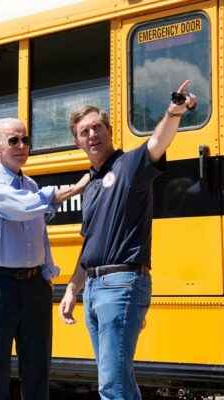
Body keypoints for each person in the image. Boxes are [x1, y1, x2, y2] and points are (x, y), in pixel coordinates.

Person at [58, 81, 197, 400]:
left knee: (112, 384)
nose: (92, 135)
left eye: (97, 128)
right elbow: (89, 245)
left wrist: (173, 111)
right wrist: (72, 288)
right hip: (93, 289)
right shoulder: (90, 188)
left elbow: (158, 142)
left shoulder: (130, 165)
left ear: (109, 131)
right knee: (118, 379)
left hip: (121, 282)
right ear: (77, 142)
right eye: (84, 132)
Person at [0, 118, 89, 400]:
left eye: (25, 140)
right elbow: (20, 208)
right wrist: (69, 190)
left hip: (33, 284)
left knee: (38, 369)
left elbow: (39, 235)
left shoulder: (31, 184)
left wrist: (46, 274)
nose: (22, 146)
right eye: (14, 141)